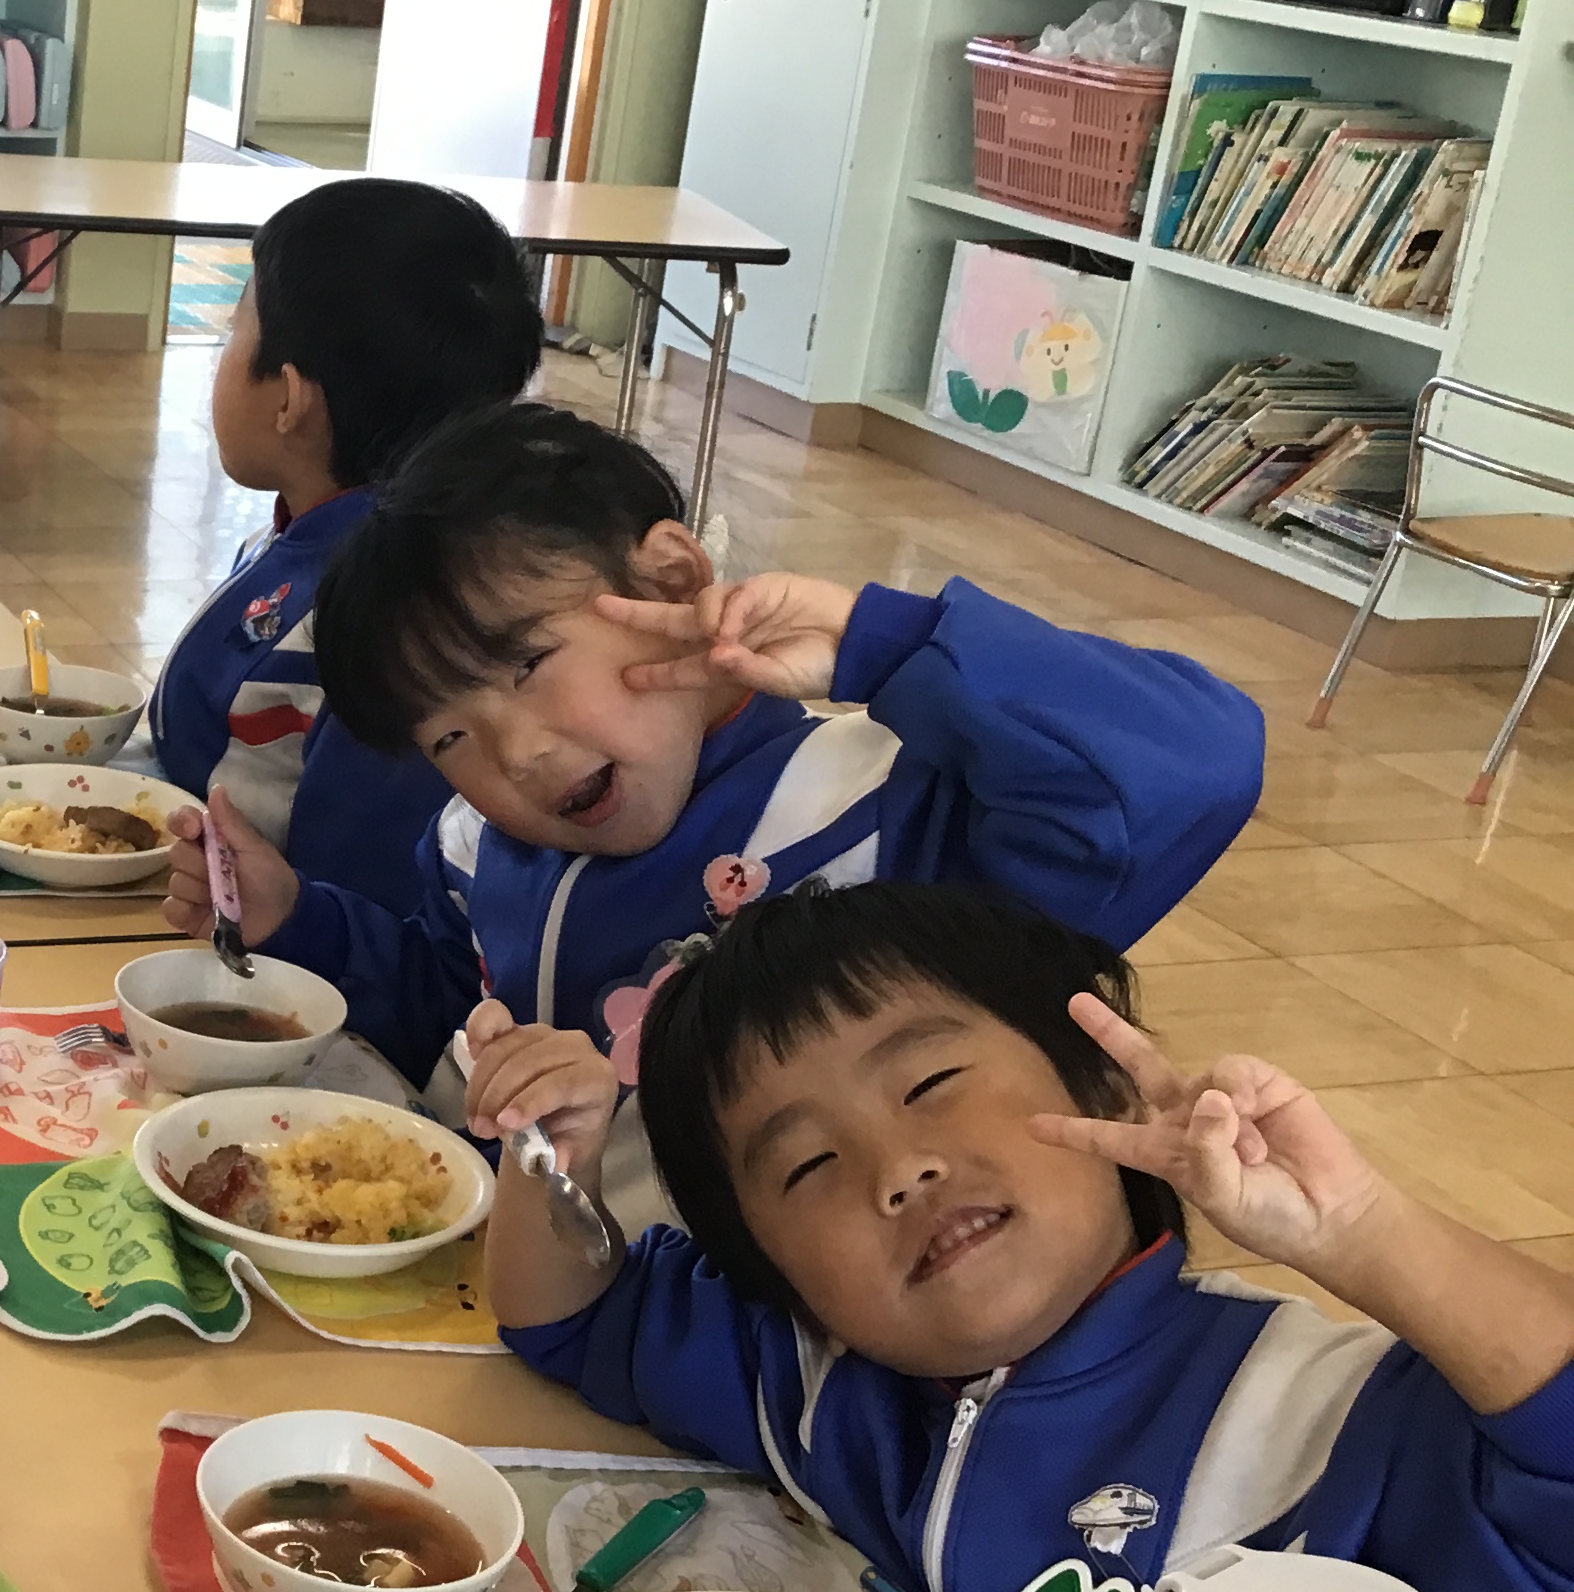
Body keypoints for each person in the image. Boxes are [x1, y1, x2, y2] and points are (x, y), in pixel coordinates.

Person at [468, 879, 1574, 1592]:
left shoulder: (1320, 1425)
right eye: (807, 1164)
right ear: (778, 1278)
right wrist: (551, 1160)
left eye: (932, 1082)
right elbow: (570, 1317)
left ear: (1103, 1083)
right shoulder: (817, 1380)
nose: (898, 1169)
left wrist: (1365, 1230)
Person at [166, 401, 1263, 1226]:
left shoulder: (885, 813)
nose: (517, 754)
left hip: (804, 1355)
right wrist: (299, 919)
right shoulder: (476, 848)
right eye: (450, 737)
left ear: (671, 579)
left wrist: (887, 645)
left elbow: (1190, 767)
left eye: (531, 664)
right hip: (542, 1303)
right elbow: (450, 1016)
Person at [146, 178, 543, 912]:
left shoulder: (384, 621)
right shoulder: (318, 537)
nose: (221, 357)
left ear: (289, 398)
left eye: (234, 329)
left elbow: (346, 903)